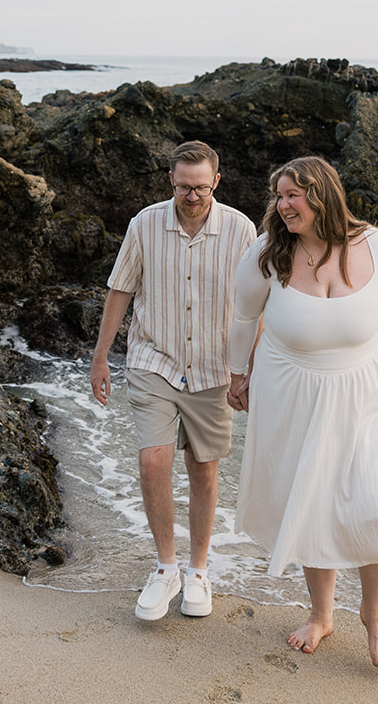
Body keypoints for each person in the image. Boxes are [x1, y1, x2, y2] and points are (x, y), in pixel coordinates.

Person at [227, 156, 378, 667]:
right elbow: (244, 316)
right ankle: (322, 614)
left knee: (376, 503)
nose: (282, 206)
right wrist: (237, 374)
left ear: (322, 195)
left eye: (293, 196)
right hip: (291, 388)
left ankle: (375, 615)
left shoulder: (371, 243)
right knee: (312, 500)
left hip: (364, 387)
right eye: (278, 197)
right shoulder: (267, 251)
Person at [90, 141, 257, 622]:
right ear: (171, 180)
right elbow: (120, 288)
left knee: (203, 469)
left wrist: (248, 371)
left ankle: (198, 571)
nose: (192, 195)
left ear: (216, 183)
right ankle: (166, 569)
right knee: (152, 460)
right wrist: (101, 358)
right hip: (153, 359)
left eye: (201, 187)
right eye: (184, 186)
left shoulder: (241, 230)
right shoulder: (144, 223)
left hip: (213, 367)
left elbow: (257, 303)